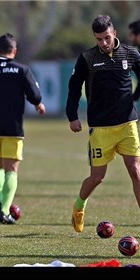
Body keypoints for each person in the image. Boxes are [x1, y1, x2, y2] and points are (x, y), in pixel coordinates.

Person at [66, 15, 140, 233]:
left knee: (136, 171)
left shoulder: (131, 53)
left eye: (107, 37)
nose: (103, 43)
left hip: (128, 124)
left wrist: (134, 97)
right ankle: (79, 206)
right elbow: (74, 87)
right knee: (97, 178)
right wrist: (72, 115)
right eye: (99, 39)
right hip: (100, 128)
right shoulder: (87, 58)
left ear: (114, 33)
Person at [0, 33, 46, 225]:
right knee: (11, 170)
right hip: (13, 126)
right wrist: (38, 105)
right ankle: (4, 210)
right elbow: (34, 94)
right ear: (14, 50)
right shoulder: (22, 69)